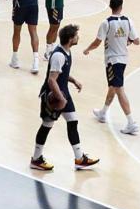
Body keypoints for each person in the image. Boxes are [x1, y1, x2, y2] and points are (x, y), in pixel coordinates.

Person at [30, 24, 99, 171]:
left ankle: (79, 158)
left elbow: (62, 73)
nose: (78, 37)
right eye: (76, 36)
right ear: (70, 39)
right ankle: (36, 159)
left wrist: (73, 80)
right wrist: (60, 98)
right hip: (53, 96)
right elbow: (51, 80)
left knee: (73, 121)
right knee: (47, 126)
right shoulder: (58, 55)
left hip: (63, 93)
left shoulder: (66, 52)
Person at [84, 0, 140, 135]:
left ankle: (131, 122)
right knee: (113, 87)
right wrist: (127, 41)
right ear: (121, 6)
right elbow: (137, 41)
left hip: (112, 61)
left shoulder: (106, 23)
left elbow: (97, 42)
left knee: (119, 89)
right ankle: (103, 113)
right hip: (123, 59)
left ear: (110, 6)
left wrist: (87, 49)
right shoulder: (128, 21)